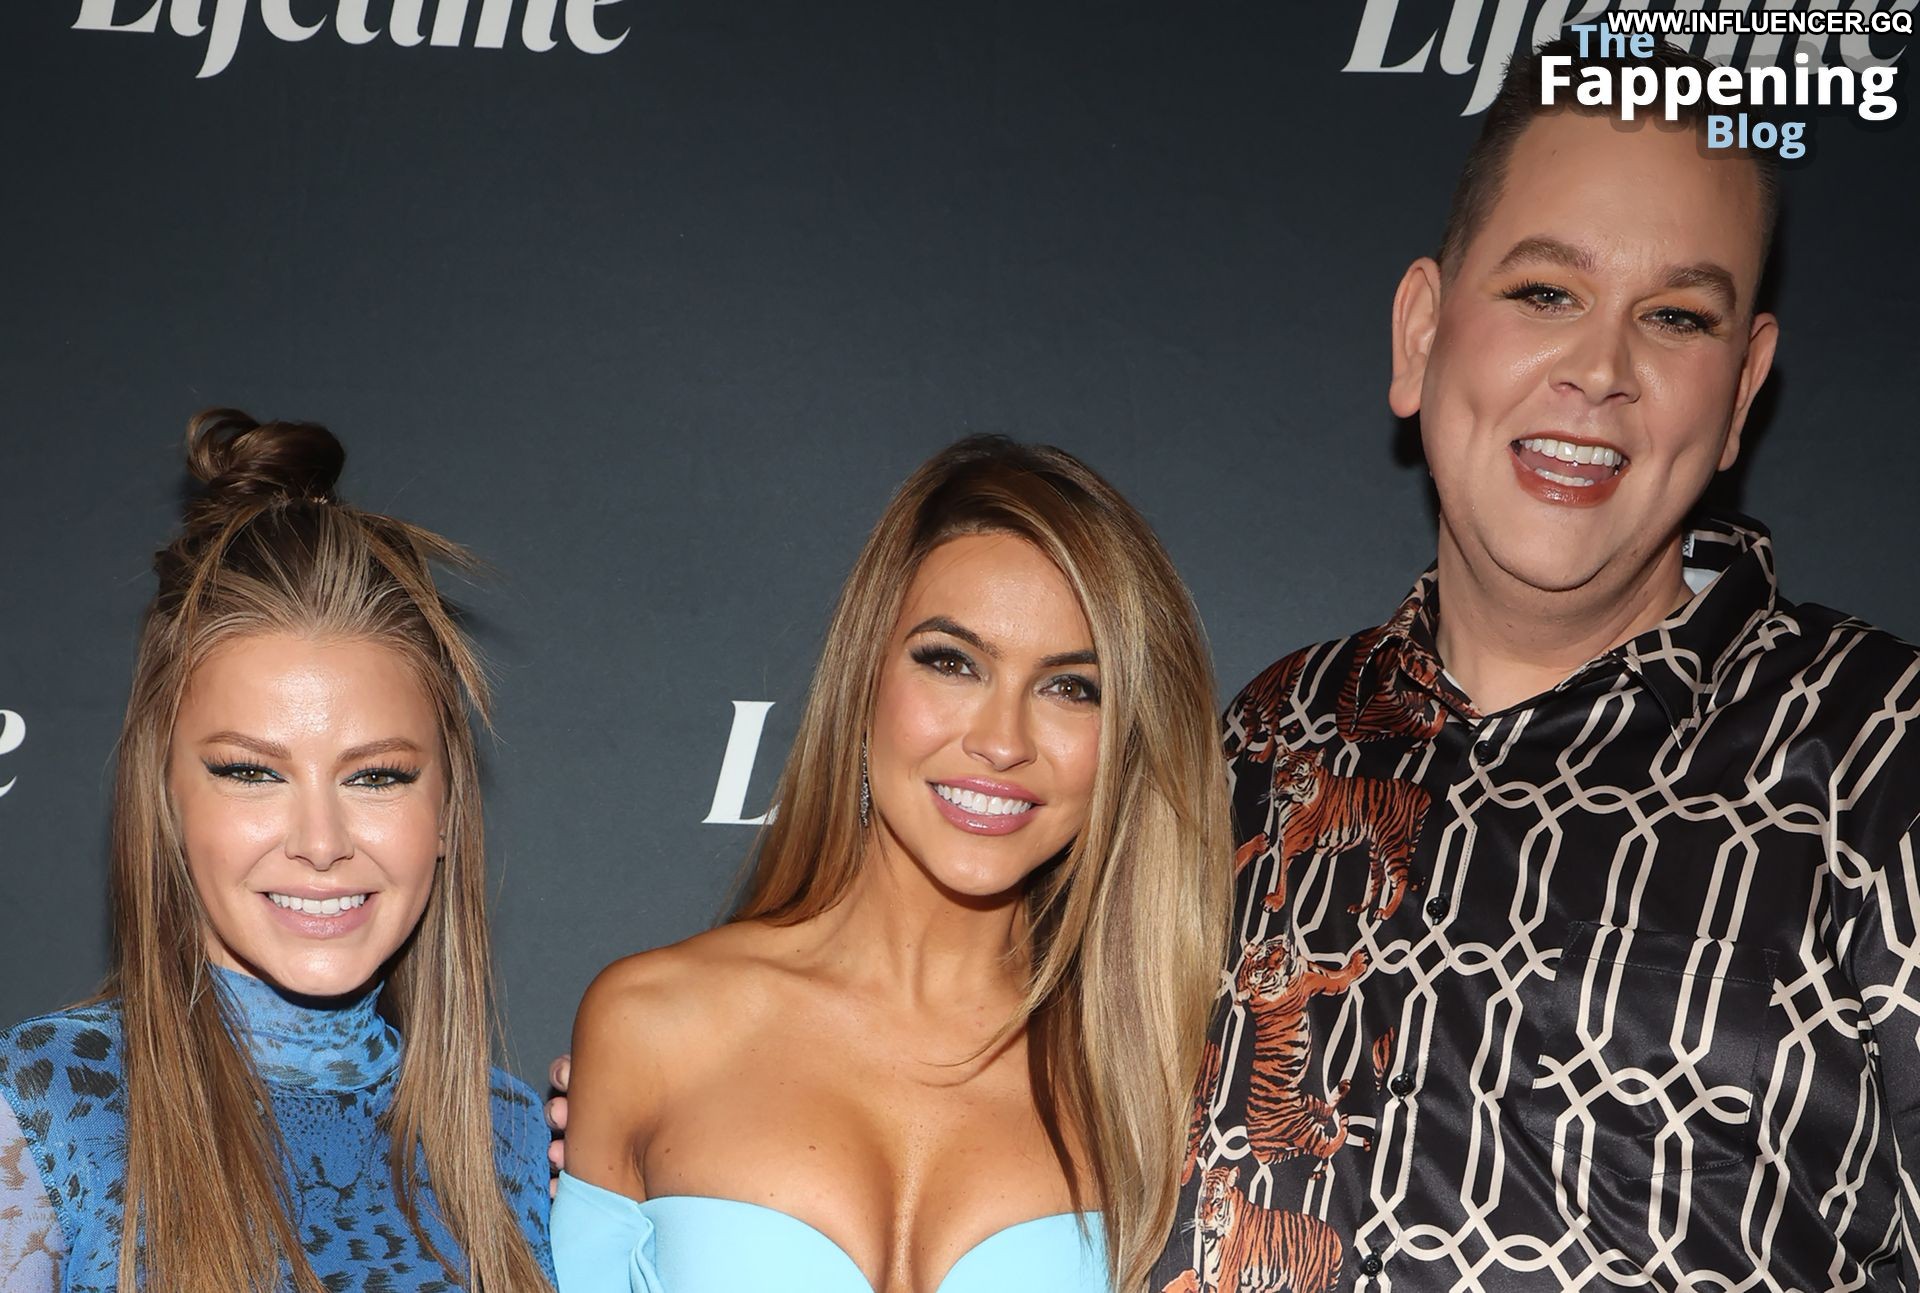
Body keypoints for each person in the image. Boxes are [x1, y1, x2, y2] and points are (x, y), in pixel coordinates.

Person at [1153, 36, 1920, 1293]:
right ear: (1421, 333)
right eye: (1546, 292)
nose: (1601, 371)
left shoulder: (1882, 758)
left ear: (1741, 392)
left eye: (1676, 317)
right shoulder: (1264, 740)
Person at [550, 437, 1233, 1292]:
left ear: (1126, 737)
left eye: (1070, 687)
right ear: (865, 678)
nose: (1002, 741)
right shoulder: (649, 1025)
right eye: (953, 662)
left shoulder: (1162, 1079)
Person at [0, 412, 555, 1291]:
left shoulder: (510, 1136)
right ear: (164, 800)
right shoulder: (49, 1104)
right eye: (252, 772)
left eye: (376, 777)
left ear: (448, 809)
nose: (321, 843)